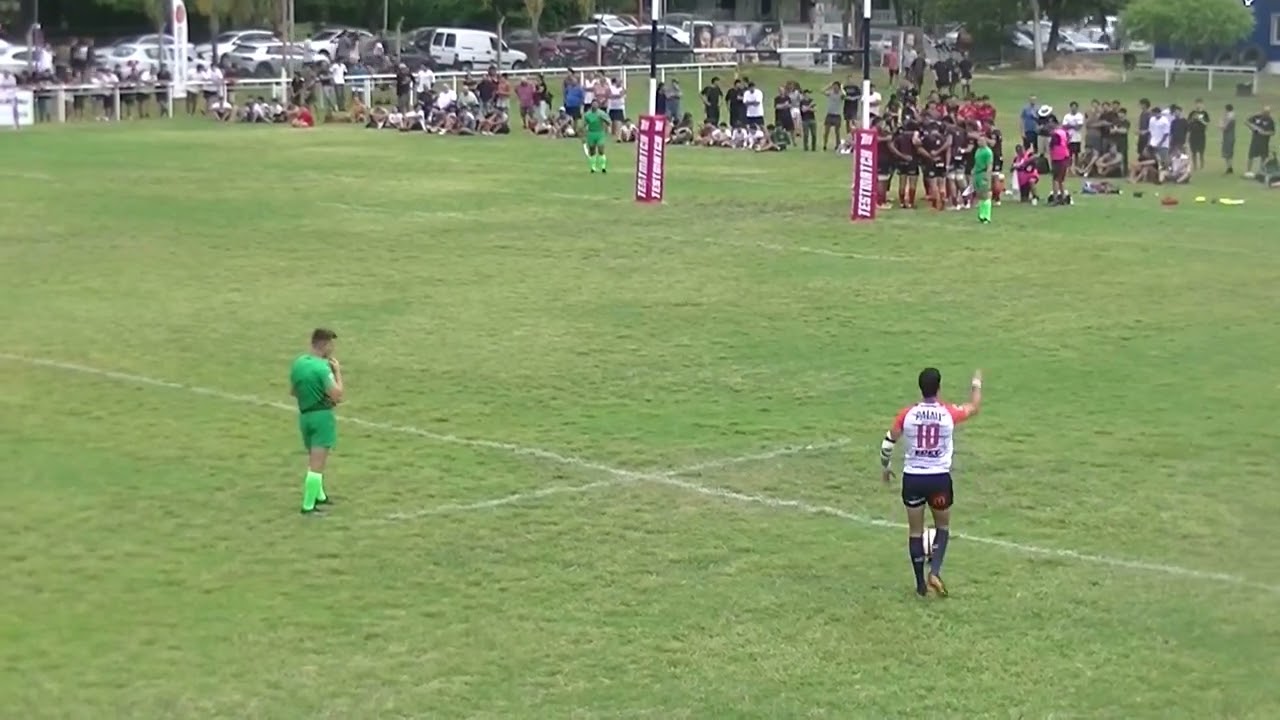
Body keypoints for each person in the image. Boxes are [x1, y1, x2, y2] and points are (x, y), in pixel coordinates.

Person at [880, 367, 984, 597]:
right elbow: (974, 407)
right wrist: (976, 382)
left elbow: (888, 443)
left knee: (915, 531)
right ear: (939, 387)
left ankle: (920, 584)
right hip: (938, 479)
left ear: (920, 388)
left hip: (913, 479)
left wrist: (886, 468)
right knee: (942, 527)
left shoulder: (907, 414)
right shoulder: (948, 413)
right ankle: (934, 571)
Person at [290, 328, 344, 515]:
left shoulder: (299, 363)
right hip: (321, 417)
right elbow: (337, 395)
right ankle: (308, 506)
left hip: (304, 417)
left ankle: (319, 495)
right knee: (317, 464)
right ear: (325, 344)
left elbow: (294, 391)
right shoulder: (322, 368)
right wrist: (337, 372)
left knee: (313, 459)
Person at [583, 100, 610, 173]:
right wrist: (584, 135)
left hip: (600, 133)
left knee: (601, 149)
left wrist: (605, 120)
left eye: (596, 104)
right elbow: (584, 125)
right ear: (591, 105)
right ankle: (593, 167)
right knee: (592, 150)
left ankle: (603, 167)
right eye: (593, 104)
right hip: (591, 133)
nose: (594, 106)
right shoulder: (587, 114)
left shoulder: (602, 113)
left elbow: (609, 122)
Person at [972, 134, 993, 223]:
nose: (979, 142)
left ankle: (987, 216)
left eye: (981, 141)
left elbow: (989, 165)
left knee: (985, 195)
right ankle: (981, 214)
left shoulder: (988, 152)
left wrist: (987, 176)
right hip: (977, 174)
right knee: (980, 195)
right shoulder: (978, 150)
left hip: (983, 173)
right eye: (978, 141)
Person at [1187, 99, 1209, 171]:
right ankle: (1195, 166)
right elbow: (1188, 122)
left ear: (1202, 104)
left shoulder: (1205, 113)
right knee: (1193, 152)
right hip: (1193, 135)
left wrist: (1200, 119)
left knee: (1201, 151)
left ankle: (1202, 166)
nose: (1198, 105)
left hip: (1201, 135)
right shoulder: (1192, 113)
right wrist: (1193, 119)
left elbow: (1207, 123)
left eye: (1200, 104)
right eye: (1197, 104)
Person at [1221, 103, 1236, 175]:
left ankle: (1229, 168)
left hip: (1228, 137)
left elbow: (1225, 127)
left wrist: (1220, 125)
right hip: (1231, 136)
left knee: (1227, 153)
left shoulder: (1230, 118)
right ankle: (1229, 167)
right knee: (1229, 153)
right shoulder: (1232, 116)